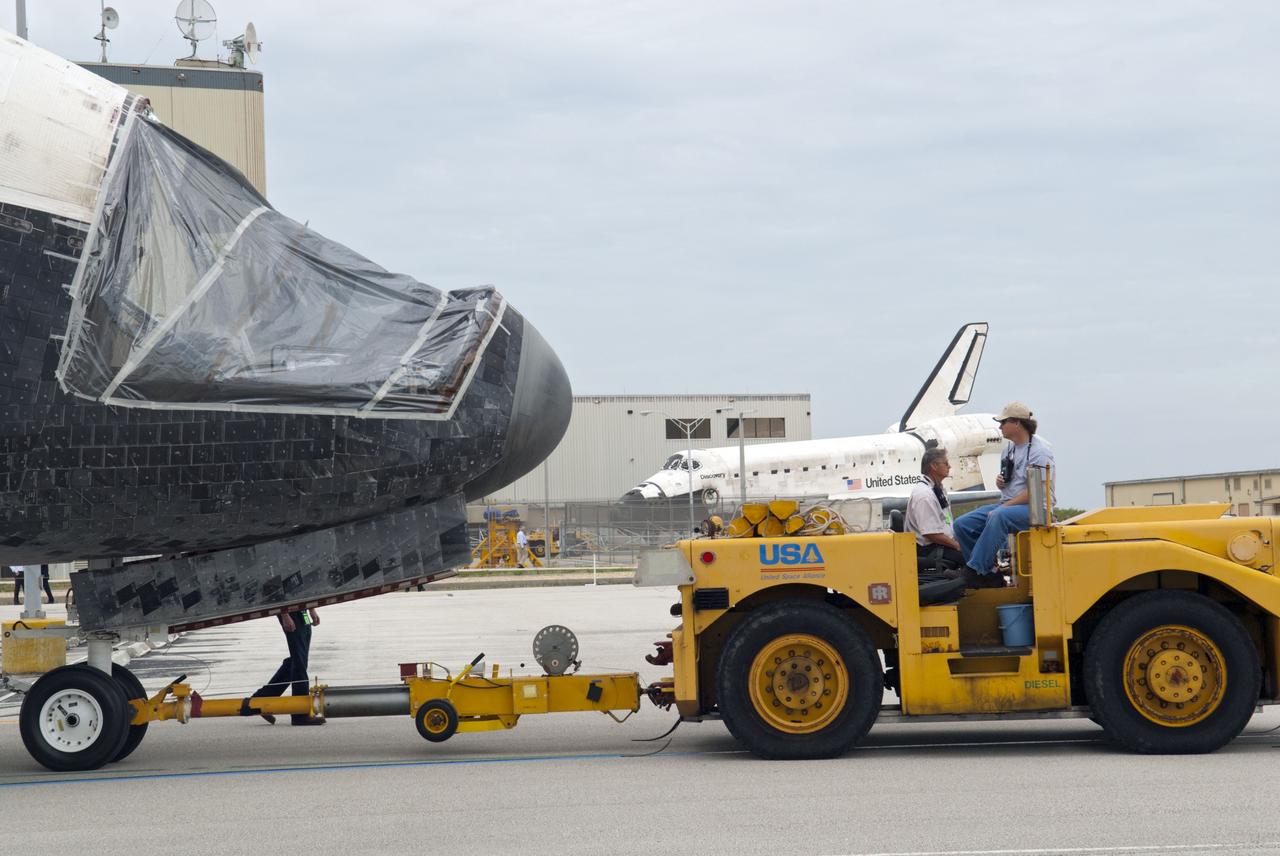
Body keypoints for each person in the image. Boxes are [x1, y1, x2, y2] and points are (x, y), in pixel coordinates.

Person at [953, 401, 1055, 588]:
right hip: (1008, 505)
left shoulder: (1039, 453)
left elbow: (1035, 493)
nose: (1000, 427)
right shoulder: (1008, 449)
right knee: (962, 524)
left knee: (998, 516)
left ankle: (975, 570)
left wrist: (1005, 507)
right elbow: (1012, 484)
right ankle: (986, 573)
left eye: (1003, 422)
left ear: (1016, 423)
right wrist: (1001, 482)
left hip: (1035, 509)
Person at [252, 607, 323, 725]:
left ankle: (263, 698)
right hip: (290, 612)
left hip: (302, 611)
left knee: (298, 659)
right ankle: (300, 714)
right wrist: (284, 614)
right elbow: (279, 590)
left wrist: (311, 609)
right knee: (299, 662)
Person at [905, 446, 965, 569]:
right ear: (934, 466)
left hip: (941, 543)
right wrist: (956, 545)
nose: (949, 466)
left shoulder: (938, 489)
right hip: (929, 549)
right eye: (946, 463)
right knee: (970, 559)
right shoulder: (924, 495)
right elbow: (931, 533)